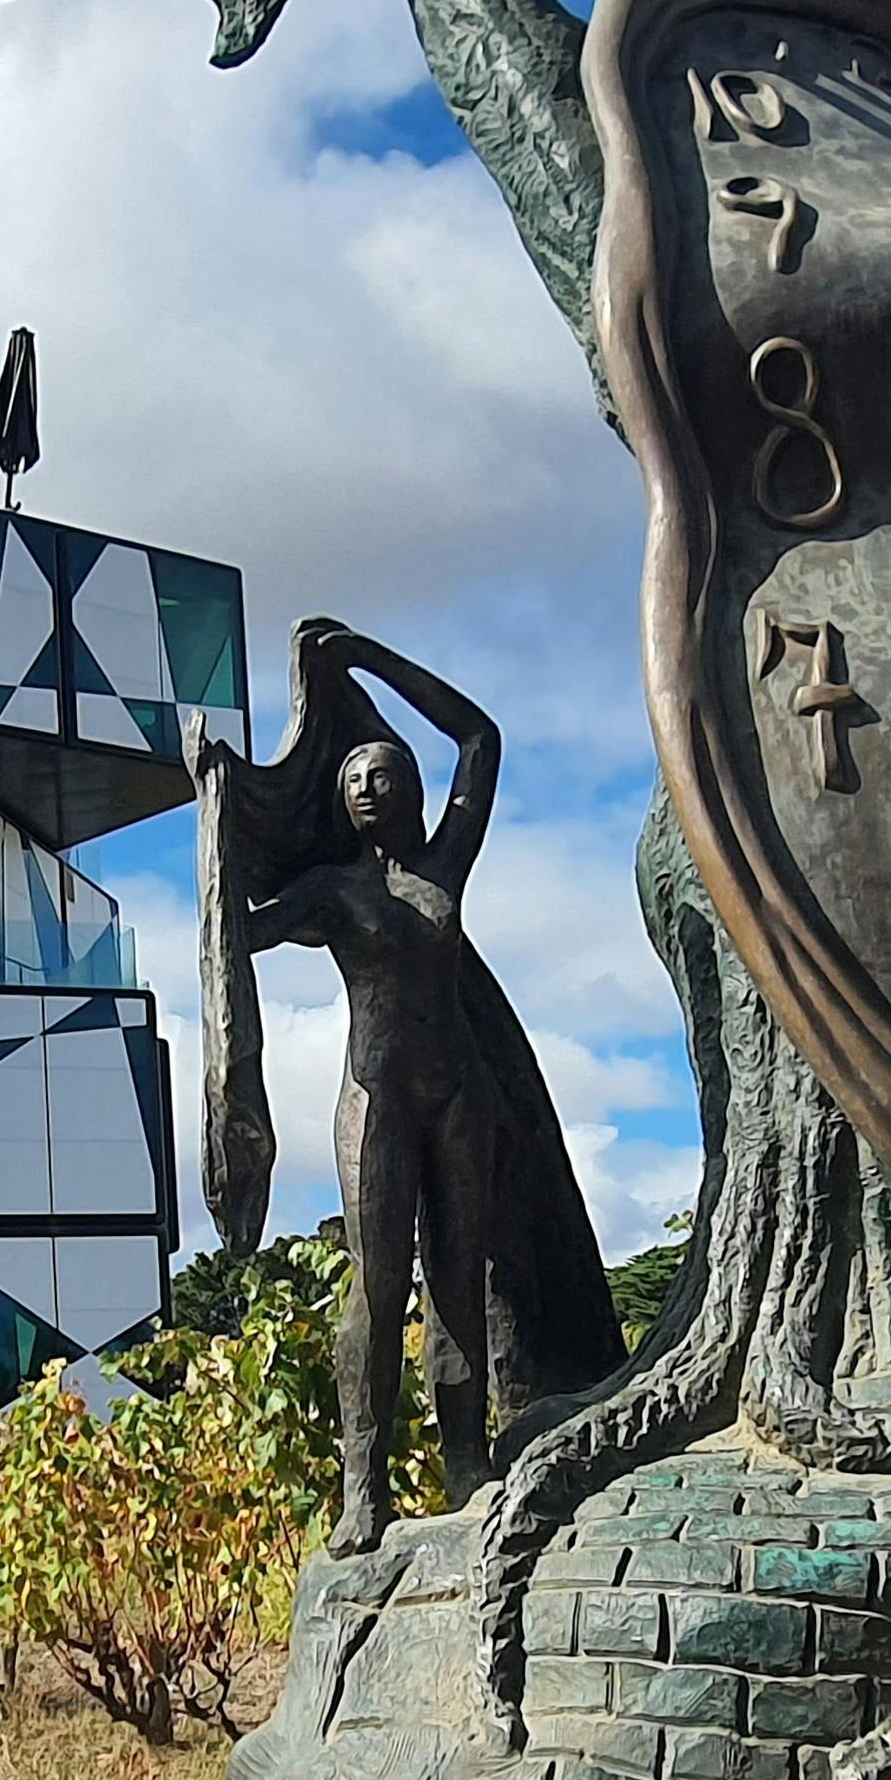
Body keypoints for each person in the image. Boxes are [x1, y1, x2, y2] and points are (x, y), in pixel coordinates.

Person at [196, 619, 625, 1550]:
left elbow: (481, 737)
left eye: (380, 774)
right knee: (378, 1289)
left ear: (409, 789)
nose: (364, 787)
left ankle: (466, 1464)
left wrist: (367, 659)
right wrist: (216, 806)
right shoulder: (330, 893)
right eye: (351, 780)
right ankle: (364, 1491)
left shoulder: (443, 867)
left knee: (458, 1288)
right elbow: (242, 925)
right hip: (377, 1102)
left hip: (459, 1098)